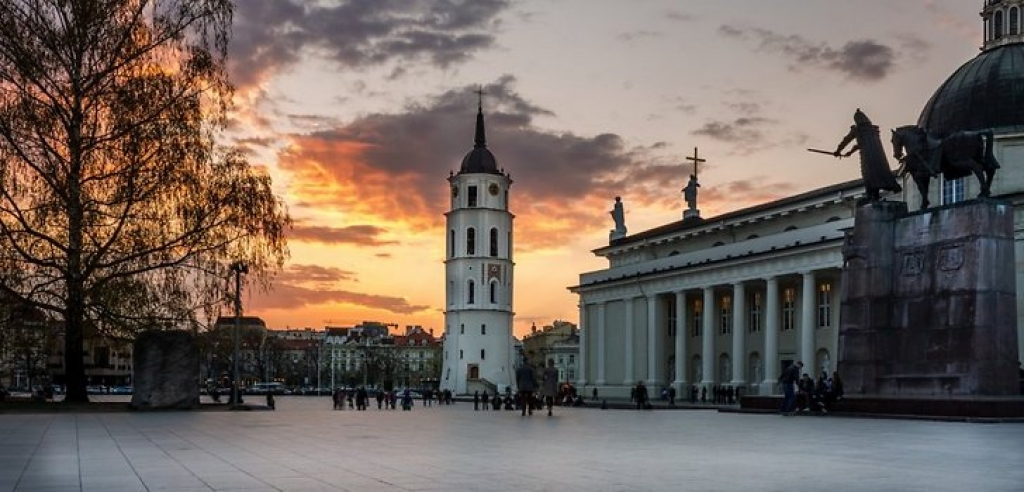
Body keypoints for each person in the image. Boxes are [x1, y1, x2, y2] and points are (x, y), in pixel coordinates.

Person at [834, 109, 902, 201]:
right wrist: (850, 152)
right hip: (879, 158)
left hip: (867, 158)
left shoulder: (857, 130)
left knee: (868, 175)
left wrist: (838, 150)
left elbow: (846, 140)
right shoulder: (873, 130)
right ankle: (876, 195)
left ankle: (872, 195)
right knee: (878, 173)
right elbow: (861, 143)